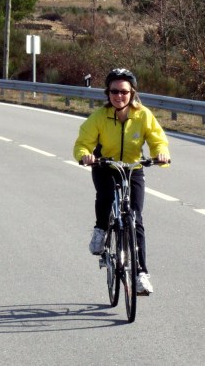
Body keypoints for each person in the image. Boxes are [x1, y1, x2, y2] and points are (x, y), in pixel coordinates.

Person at [73, 68, 170, 295]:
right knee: (106, 196)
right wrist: (85, 155)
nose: (119, 96)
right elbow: (82, 143)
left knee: (135, 219)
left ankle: (141, 274)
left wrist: (161, 154)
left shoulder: (143, 115)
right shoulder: (99, 117)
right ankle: (100, 229)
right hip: (105, 165)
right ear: (107, 93)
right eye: (114, 91)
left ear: (132, 93)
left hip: (133, 168)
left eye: (124, 92)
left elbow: (158, 140)